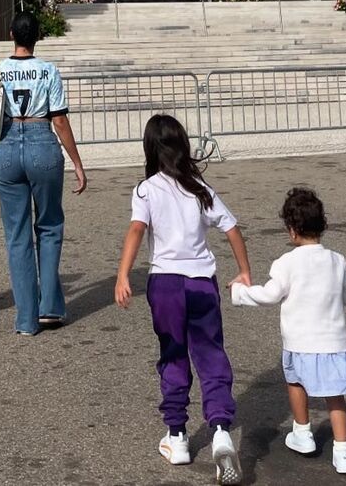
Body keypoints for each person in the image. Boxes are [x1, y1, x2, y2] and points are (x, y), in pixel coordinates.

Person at [115, 114, 251, 482]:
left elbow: (136, 229)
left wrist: (123, 274)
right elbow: (231, 227)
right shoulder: (200, 189)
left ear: (150, 149)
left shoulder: (147, 189)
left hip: (166, 283)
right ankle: (220, 429)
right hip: (202, 282)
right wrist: (244, 271)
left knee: (173, 354)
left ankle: (177, 435)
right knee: (210, 353)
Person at [231, 187, 346, 476]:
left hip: (299, 341)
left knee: (296, 382)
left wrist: (240, 292)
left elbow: (270, 295)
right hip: (332, 341)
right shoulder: (337, 260)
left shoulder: (287, 262)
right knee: (335, 395)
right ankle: (343, 452)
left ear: (291, 230)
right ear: (322, 225)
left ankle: (302, 433)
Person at [0, 11, 87, 336]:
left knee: (17, 234)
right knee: (49, 225)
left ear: (11, 34)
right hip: (42, 141)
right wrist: (77, 162)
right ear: (37, 36)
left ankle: (26, 319)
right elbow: (60, 121)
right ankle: (49, 306)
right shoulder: (48, 70)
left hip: (8, 147)